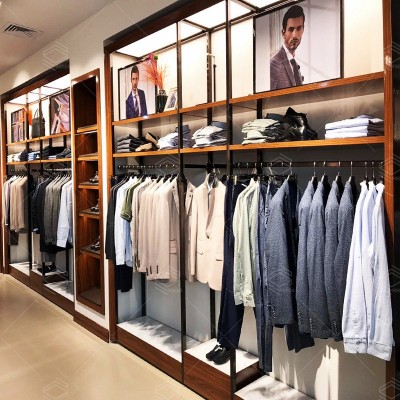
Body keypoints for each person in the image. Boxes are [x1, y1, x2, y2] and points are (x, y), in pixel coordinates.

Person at [270, 5, 305, 90]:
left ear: (303, 30)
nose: (295, 35)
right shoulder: (274, 64)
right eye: (291, 29)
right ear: (283, 33)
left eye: (299, 29)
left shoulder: (295, 64)